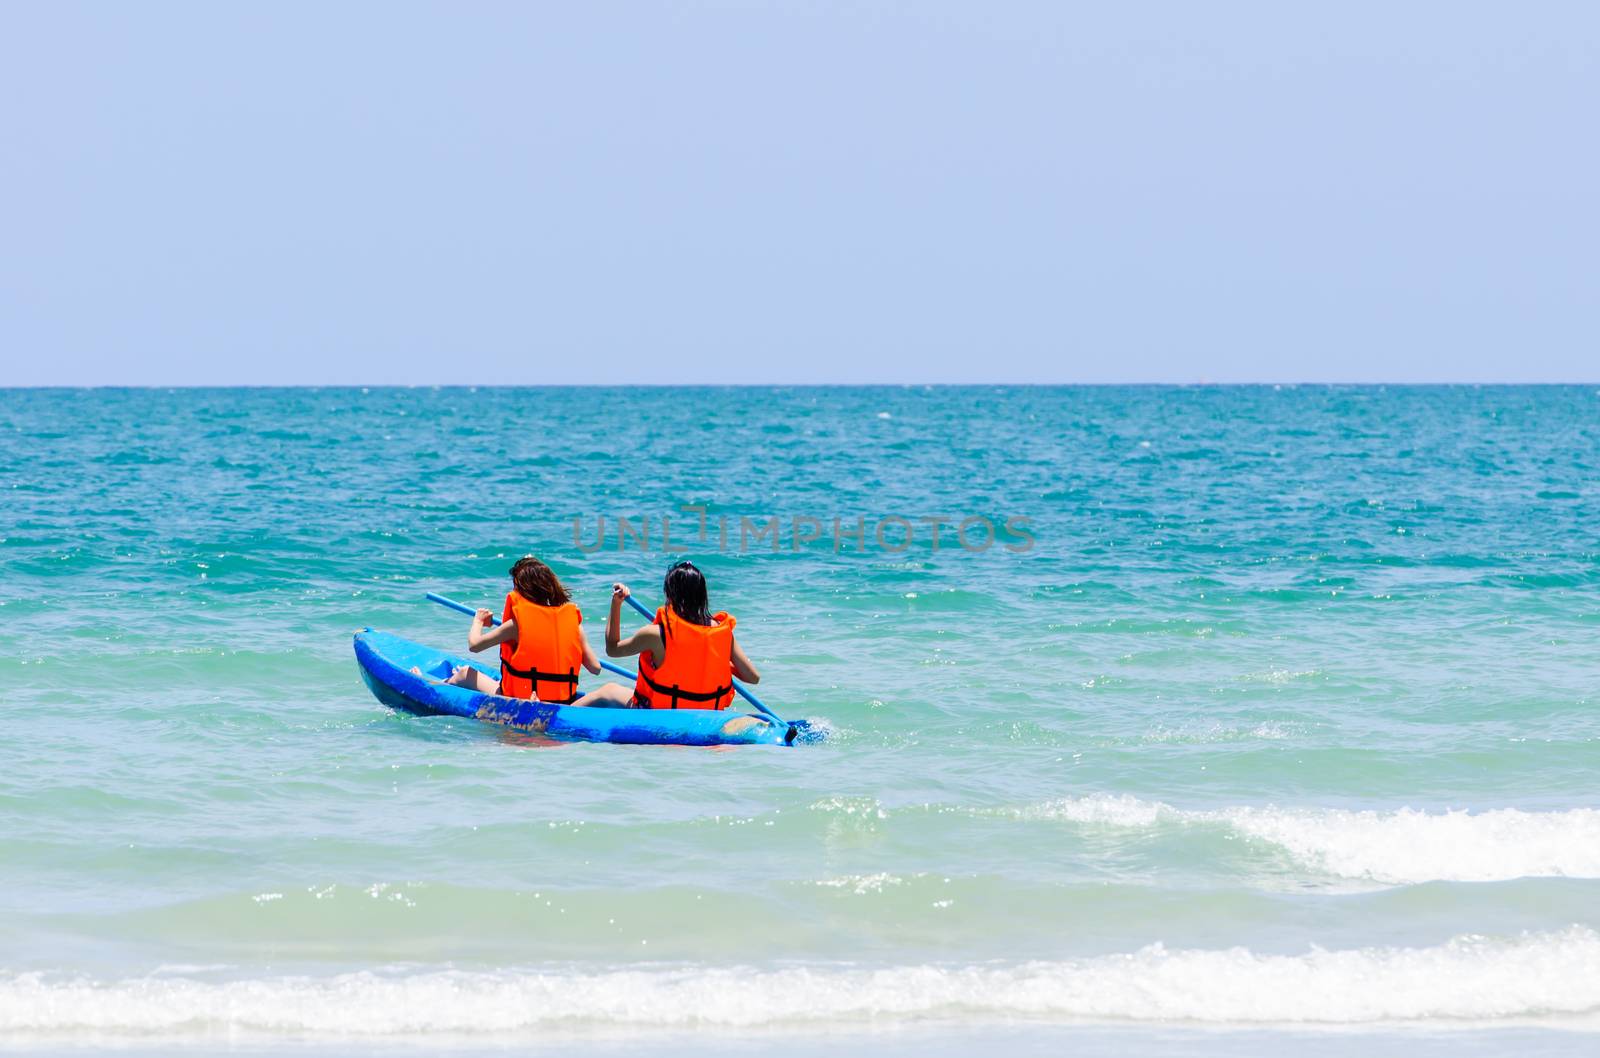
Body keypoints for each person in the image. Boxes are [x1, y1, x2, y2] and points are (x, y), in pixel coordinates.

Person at [570, 560, 760, 709]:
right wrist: (714, 661)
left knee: (608, 690)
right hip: (707, 711)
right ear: (703, 596)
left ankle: (554, 718)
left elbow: (612, 649)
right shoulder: (722, 632)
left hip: (660, 711)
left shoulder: (657, 634)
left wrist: (616, 604)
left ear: (670, 595)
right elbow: (753, 677)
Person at [425, 556, 603, 702]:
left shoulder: (516, 625)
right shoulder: (573, 623)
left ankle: (428, 684)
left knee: (465, 673)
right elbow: (595, 668)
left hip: (520, 698)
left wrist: (478, 621)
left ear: (523, 590)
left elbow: (475, 645)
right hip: (564, 700)